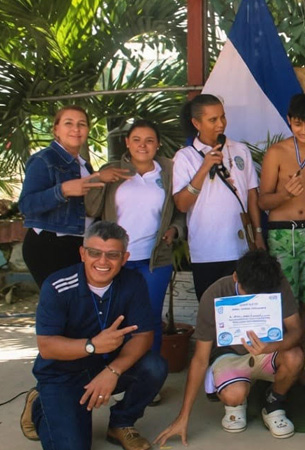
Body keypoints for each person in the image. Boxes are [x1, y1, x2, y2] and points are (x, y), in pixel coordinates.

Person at [20, 221, 167, 450]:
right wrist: (92, 346)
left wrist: (113, 370)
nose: (102, 261)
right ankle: (41, 403)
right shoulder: (57, 286)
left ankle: (121, 422)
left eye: (112, 255)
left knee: (154, 366)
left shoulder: (132, 282)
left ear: (125, 258)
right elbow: (47, 347)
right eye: (94, 253)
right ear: (82, 253)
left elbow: (144, 335)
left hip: (106, 366)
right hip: (62, 375)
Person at [155, 250, 304, 444]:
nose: (253, 301)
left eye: (261, 297)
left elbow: (296, 331)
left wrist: (271, 346)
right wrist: (184, 416)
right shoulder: (214, 294)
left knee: (295, 356)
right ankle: (234, 398)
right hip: (229, 354)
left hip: (269, 349)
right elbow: (200, 359)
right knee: (234, 395)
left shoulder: (276, 282)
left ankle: (274, 402)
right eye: (248, 294)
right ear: (235, 277)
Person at [86, 119, 185, 355]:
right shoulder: (113, 170)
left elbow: (181, 211)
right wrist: (99, 178)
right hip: (114, 260)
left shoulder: (169, 171)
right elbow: (91, 209)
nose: (143, 145)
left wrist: (174, 230)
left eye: (149, 140)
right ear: (127, 143)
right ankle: (117, 377)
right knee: (115, 319)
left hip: (155, 260)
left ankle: (150, 379)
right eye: (137, 140)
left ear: (158, 144)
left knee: (149, 320)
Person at [19, 105, 130, 287]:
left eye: (82, 124)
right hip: (50, 245)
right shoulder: (44, 159)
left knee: (77, 305)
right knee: (59, 306)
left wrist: (100, 179)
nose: (76, 129)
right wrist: (62, 190)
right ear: (56, 129)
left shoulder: (84, 165)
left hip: (78, 243)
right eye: (68, 123)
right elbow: (26, 205)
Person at [260, 93, 305, 361]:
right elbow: (262, 199)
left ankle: (299, 362)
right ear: (290, 121)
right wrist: (285, 196)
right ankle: (277, 363)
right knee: (280, 301)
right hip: (281, 233)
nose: (304, 130)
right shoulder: (276, 153)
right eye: (298, 124)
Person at [172, 94, 265, 300]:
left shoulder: (240, 150)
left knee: (244, 309)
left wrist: (258, 233)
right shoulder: (185, 157)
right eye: (212, 120)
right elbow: (181, 204)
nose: (220, 124)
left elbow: (252, 195)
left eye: (222, 117)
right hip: (207, 250)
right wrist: (205, 167)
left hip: (241, 249)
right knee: (211, 313)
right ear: (196, 123)